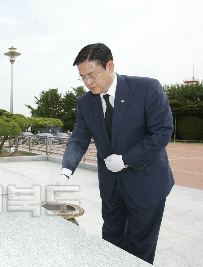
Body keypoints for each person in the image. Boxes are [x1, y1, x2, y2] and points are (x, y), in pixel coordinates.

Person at [50, 43, 174, 264]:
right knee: (110, 240)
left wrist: (126, 160)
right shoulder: (85, 102)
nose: (88, 83)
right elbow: (78, 139)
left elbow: (161, 133)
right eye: (83, 78)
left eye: (92, 75)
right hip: (111, 187)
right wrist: (65, 172)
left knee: (139, 246)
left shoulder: (146, 89)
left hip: (146, 184)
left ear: (110, 66)